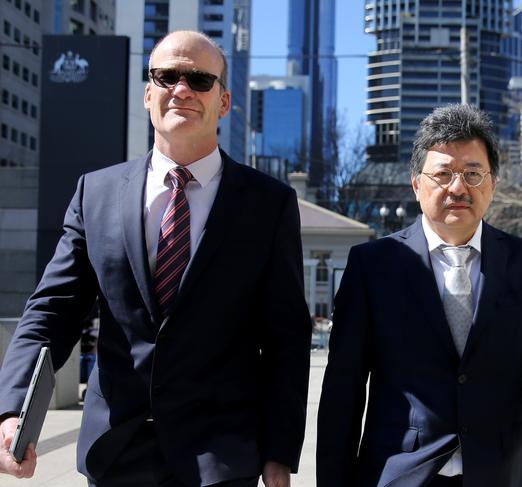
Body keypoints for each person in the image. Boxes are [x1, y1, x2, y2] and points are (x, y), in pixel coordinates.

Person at [0, 30, 311, 487]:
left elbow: (286, 337)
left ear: (223, 102)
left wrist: (279, 453)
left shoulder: (269, 205)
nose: (181, 89)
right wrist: (13, 411)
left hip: (222, 456)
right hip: (115, 451)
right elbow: (52, 310)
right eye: (166, 76)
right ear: (148, 94)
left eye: (200, 80)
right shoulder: (96, 193)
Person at [317, 104, 522, 487]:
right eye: (443, 174)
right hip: (398, 476)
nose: (458, 188)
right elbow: (342, 394)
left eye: (473, 174)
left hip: (503, 475)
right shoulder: (372, 267)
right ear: (416, 184)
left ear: (493, 184)